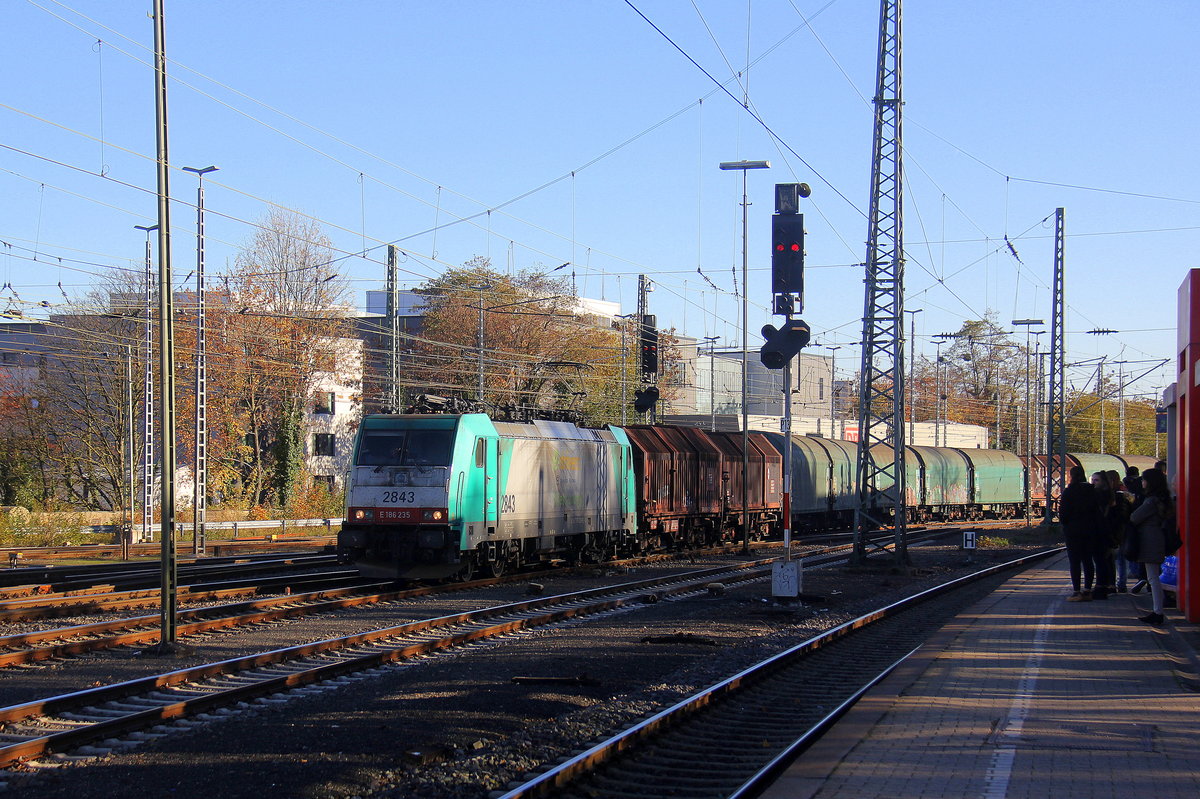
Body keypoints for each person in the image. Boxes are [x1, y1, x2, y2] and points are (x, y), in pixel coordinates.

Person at [1129, 468, 1173, 625]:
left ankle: (1157, 612)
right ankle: (1157, 610)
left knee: (1153, 578)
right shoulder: (1162, 499)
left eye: (1144, 479)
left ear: (1150, 482)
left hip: (1150, 541)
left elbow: (1134, 517)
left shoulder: (1151, 501)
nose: (1142, 482)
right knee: (1153, 577)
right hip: (1156, 539)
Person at [1059, 465, 1099, 601]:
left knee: (1074, 562)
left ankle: (1076, 591)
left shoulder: (1068, 492)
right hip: (1090, 530)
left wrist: (1067, 525)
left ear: (1071, 476)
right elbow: (1097, 512)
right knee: (1088, 560)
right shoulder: (1092, 491)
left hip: (1073, 531)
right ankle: (1087, 590)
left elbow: (1063, 515)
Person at [1105, 470, 1132, 593]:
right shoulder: (1125, 494)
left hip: (1117, 531)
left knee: (1116, 559)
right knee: (1120, 560)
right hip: (1122, 530)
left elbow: (1120, 515)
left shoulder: (1118, 496)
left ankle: (1119, 583)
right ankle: (1121, 583)